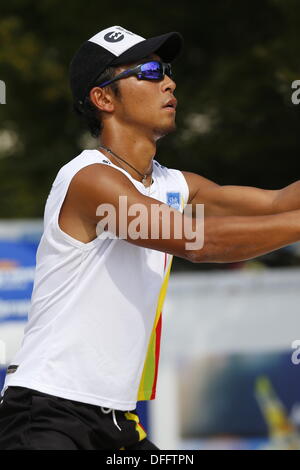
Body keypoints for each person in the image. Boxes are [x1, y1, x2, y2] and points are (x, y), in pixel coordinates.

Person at [1, 25, 300, 451]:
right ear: (103, 98)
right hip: (48, 414)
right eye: (150, 71)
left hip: (115, 422)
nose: (169, 81)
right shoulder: (90, 180)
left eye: (168, 70)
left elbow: (277, 205)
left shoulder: (173, 184)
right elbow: (199, 241)